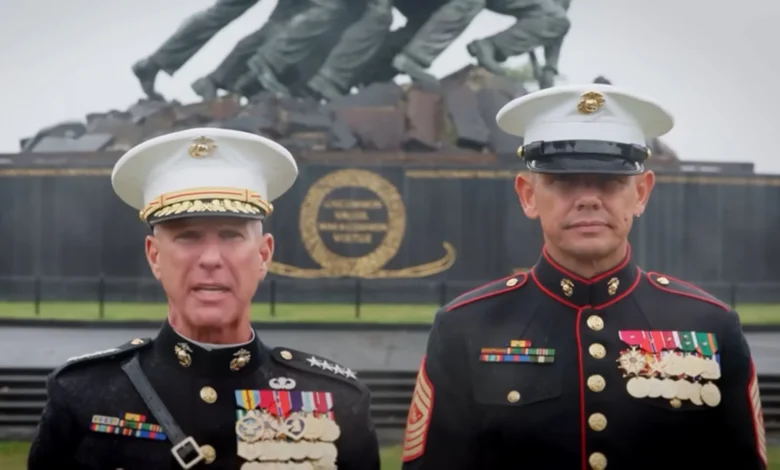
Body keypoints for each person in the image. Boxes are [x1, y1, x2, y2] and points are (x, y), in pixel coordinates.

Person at [400, 84, 767, 469]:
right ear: (528, 195)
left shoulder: (710, 326)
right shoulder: (465, 327)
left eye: (610, 182)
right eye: (564, 181)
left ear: (641, 193)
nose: (588, 199)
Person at [27, 128, 381, 469]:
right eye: (188, 236)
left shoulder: (337, 402)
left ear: (263, 255)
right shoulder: (82, 395)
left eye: (231, 235)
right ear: (154, 256)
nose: (211, 258)